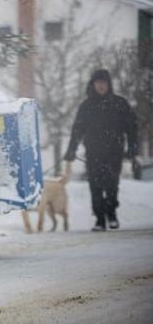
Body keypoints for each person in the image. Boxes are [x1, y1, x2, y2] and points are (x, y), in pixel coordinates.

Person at [64, 69, 139, 232]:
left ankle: (111, 214)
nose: (101, 86)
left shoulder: (120, 103)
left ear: (109, 84)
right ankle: (99, 218)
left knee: (112, 184)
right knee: (95, 185)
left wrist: (133, 147)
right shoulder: (86, 106)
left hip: (114, 151)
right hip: (93, 152)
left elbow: (132, 128)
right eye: (98, 83)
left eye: (104, 83)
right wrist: (71, 149)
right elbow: (77, 129)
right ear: (93, 84)